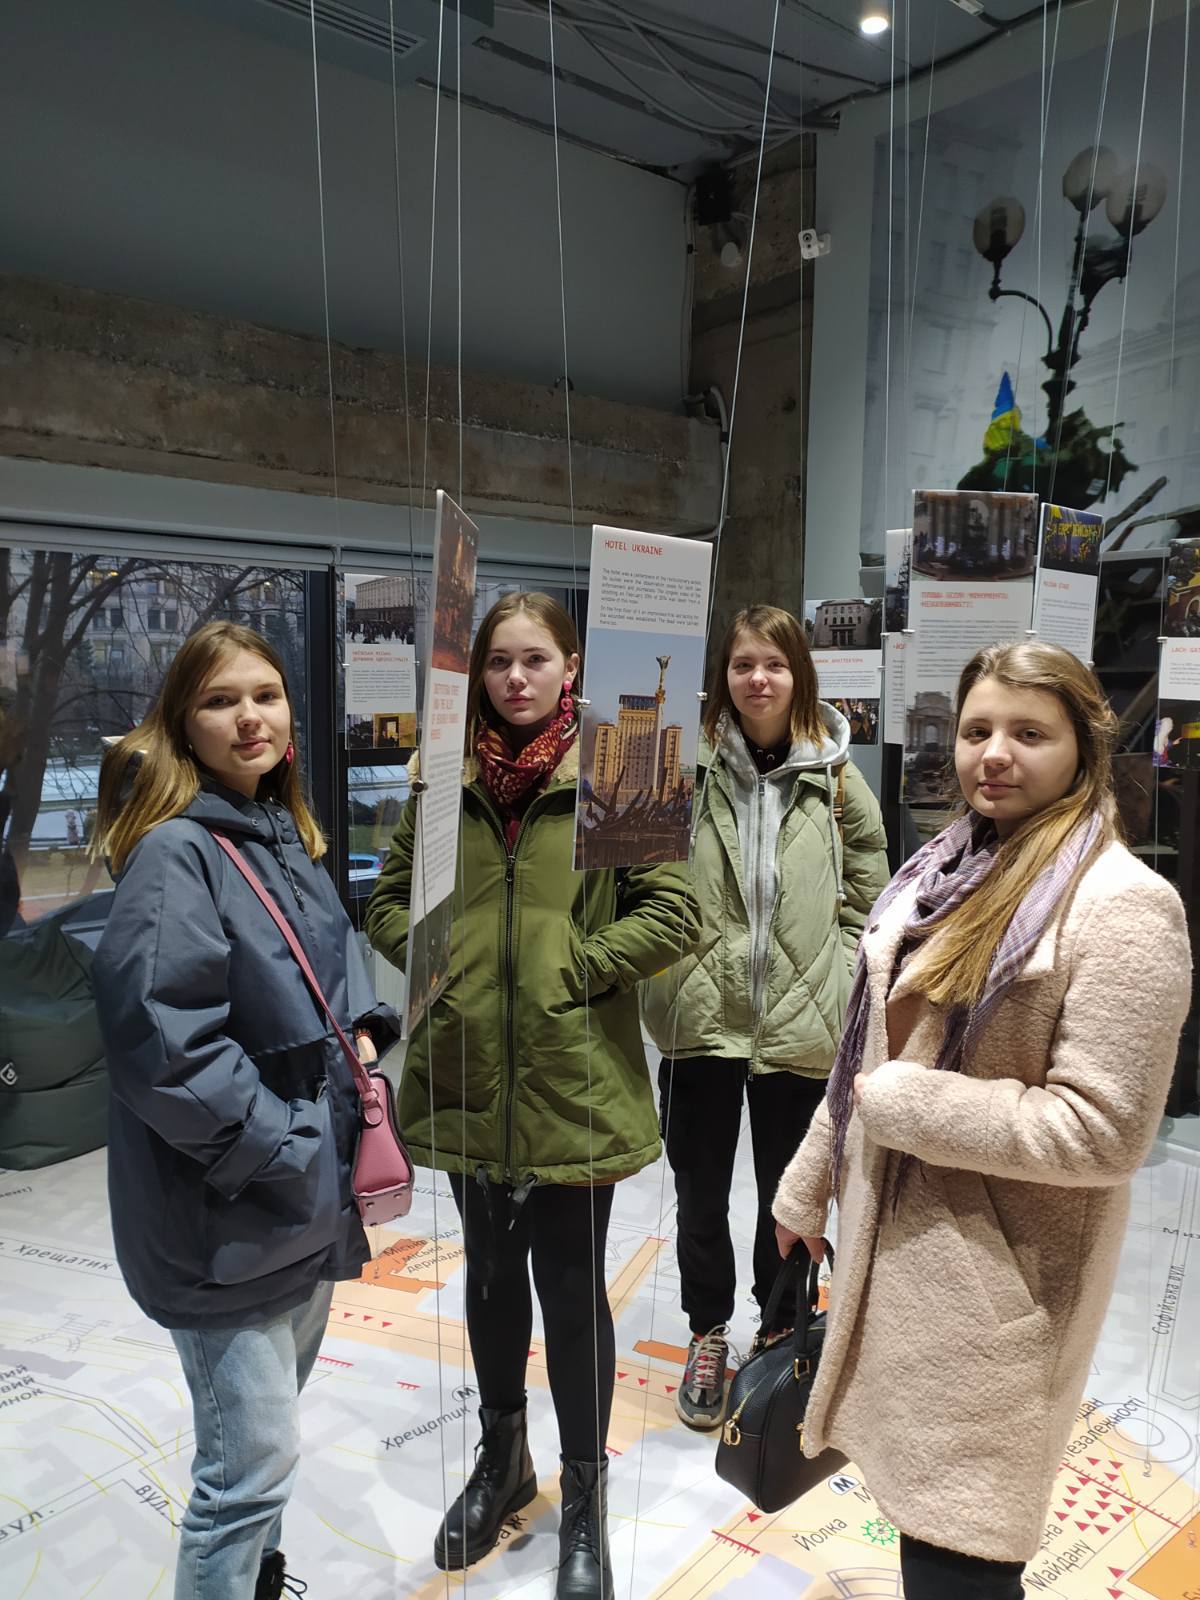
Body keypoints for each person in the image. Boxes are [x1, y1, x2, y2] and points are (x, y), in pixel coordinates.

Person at [773, 641, 1192, 1600]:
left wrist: (911, 1105)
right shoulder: (943, 868)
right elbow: (867, 1057)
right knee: (919, 1526)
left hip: (999, 1292)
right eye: (976, 731)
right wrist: (807, 1183)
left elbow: (1103, 1129)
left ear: (1083, 748)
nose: (993, 754)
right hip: (900, 1258)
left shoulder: (1124, 905)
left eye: (1028, 733)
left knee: (959, 1556)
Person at [365, 591, 700, 1600]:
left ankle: (584, 1495)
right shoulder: (444, 776)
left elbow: (674, 910)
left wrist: (574, 966)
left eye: (535, 659)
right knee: (491, 1279)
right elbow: (387, 901)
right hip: (467, 1070)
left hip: (572, 1074)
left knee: (569, 1283)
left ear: (571, 665)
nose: (516, 678)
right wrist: (442, 966)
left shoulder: (621, 767)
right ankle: (503, 1457)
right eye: (499, 661)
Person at [91, 621, 395, 1600]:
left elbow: (332, 971)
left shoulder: (279, 836)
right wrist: (287, 1143)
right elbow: (163, 1046)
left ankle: (260, 1579)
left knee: (267, 1446)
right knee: (247, 1470)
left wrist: (365, 1032)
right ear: (184, 722)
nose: (249, 716)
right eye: (220, 700)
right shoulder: (177, 853)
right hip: (229, 1211)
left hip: (295, 1201)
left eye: (266, 694)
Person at [641, 605, 889, 1429]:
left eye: (774, 664)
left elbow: (871, 883)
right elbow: (635, 869)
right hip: (698, 1016)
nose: (758, 679)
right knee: (699, 1192)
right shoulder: (682, 764)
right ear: (724, 675)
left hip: (802, 1019)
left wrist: (843, 966)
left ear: (798, 676)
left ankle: (780, 1328)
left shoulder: (835, 775)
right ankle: (707, 1331)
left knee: (791, 1197)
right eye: (744, 664)